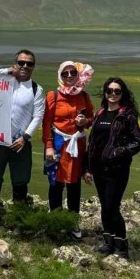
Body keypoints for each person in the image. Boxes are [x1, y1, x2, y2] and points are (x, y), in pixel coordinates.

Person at [0, 50, 45, 228]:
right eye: (21, 63)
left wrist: (25, 137)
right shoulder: (2, 81)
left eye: (29, 64)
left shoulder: (36, 90)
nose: (25, 66)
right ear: (15, 63)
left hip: (21, 143)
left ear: (33, 67)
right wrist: (5, 71)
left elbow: (37, 117)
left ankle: (18, 220)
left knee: (20, 181)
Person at [82, 78, 140, 259]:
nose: (113, 94)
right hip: (98, 169)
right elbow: (93, 142)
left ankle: (121, 245)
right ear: (105, 92)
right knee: (104, 206)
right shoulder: (100, 113)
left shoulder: (127, 115)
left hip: (117, 169)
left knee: (112, 206)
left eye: (117, 91)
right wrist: (87, 167)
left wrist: (118, 152)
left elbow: (138, 142)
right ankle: (108, 242)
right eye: (109, 90)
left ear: (122, 94)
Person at [43, 60, 95, 240]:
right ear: (60, 76)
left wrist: (85, 122)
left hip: (76, 146)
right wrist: (48, 146)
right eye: (65, 74)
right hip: (57, 145)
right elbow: (47, 123)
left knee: (74, 184)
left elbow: (91, 118)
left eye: (73, 73)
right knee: (55, 183)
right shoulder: (53, 96)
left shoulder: (84, 96)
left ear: (78, 74)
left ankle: (72, 221)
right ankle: (56, 220)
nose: (70, 76)